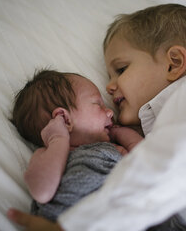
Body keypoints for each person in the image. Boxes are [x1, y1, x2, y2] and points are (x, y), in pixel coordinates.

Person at [8, 4, 186, 230]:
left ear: (174, 63)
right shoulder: (162, 124)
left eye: (121, 69)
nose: (109, 86)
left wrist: (74, 226)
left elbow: (164, 170)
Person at [11, 69, 142, 220]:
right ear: (64, 119)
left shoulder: (113, 148)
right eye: (98, 104)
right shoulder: (45, 155)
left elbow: (147, 160)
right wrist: (57, 139)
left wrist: (122, 133)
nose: (110, 112)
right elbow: (42, 192)